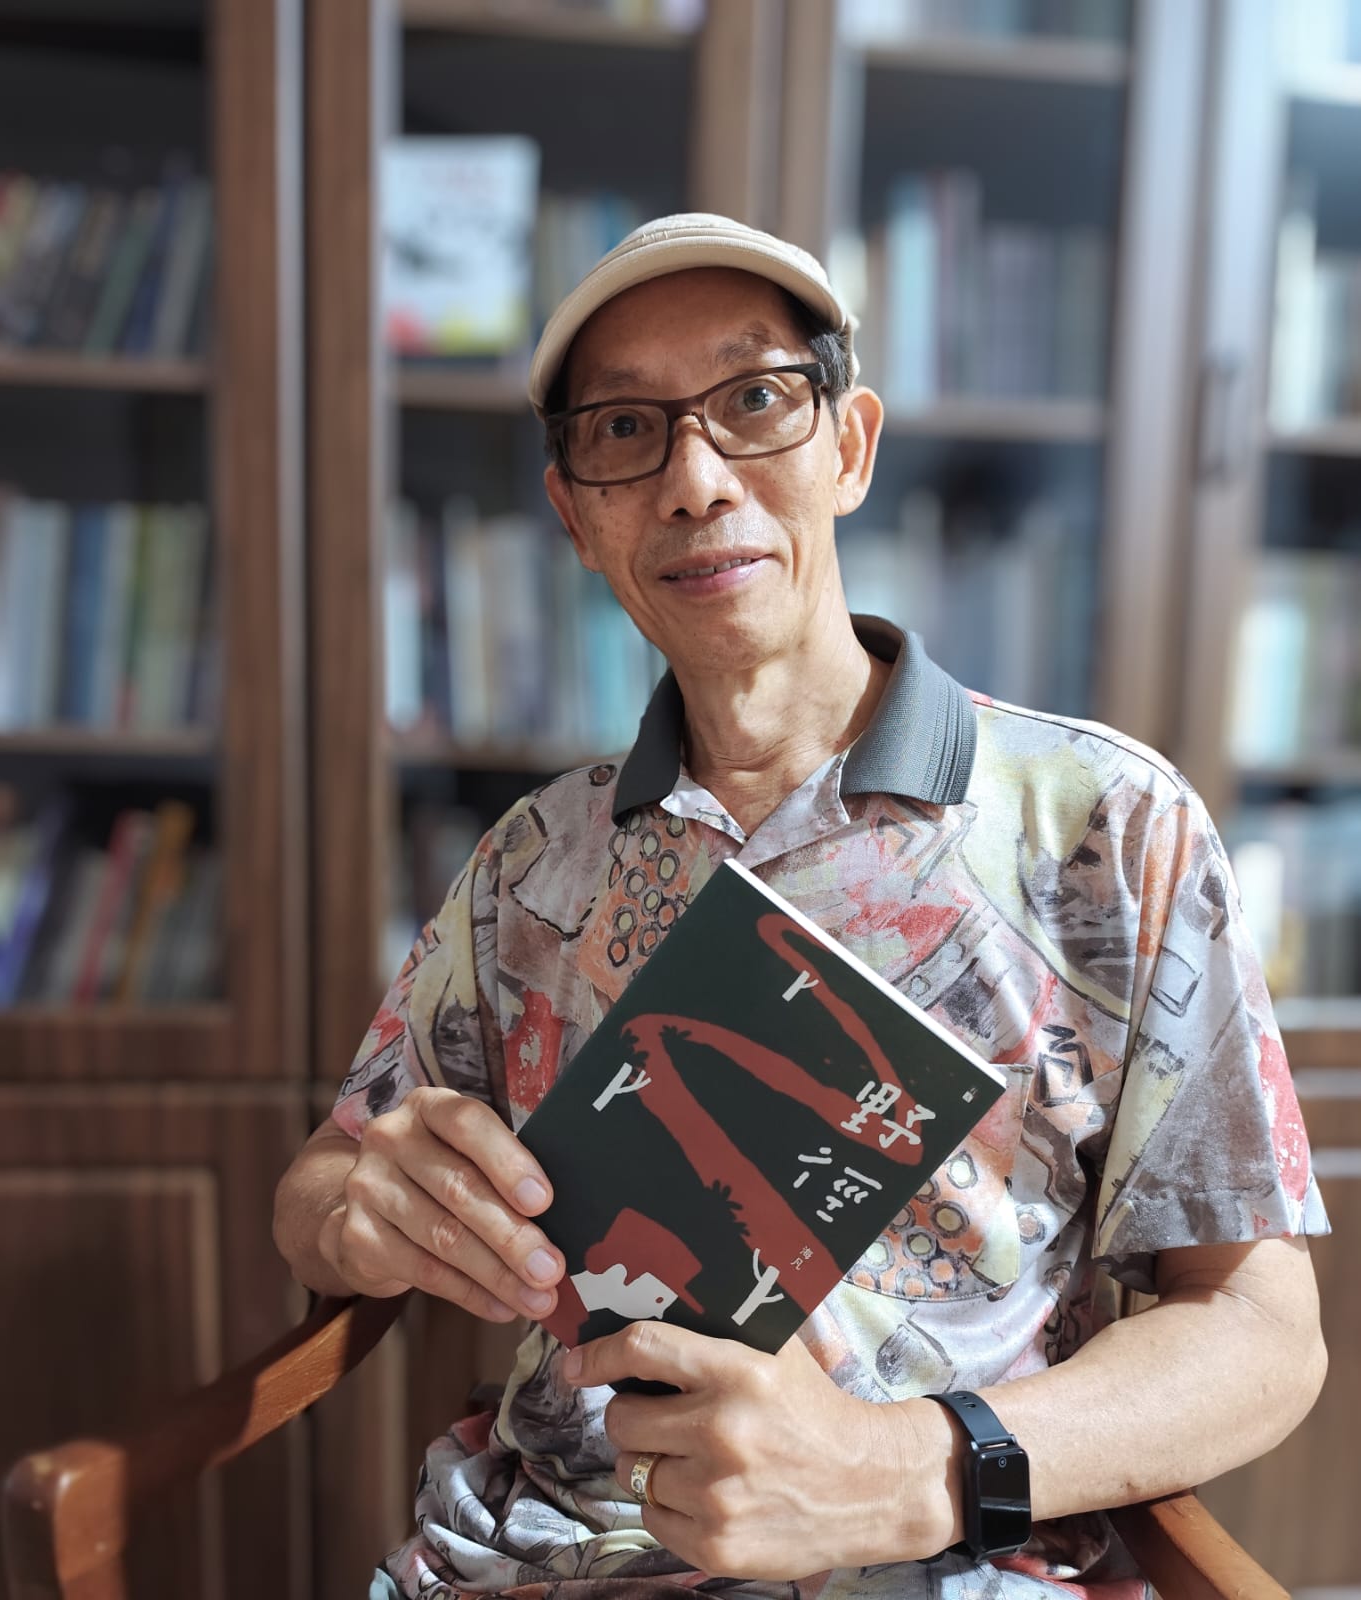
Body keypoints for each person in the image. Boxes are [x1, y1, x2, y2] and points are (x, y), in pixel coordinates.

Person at [273, 214, 1329, 1599]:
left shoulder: (1106, 825)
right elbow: (326, 1177)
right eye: (626, 431)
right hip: (546, 1556)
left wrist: (910, 1467)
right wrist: (357, 1209)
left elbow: (1260, 1325)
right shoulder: (534, 858)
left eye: (757, 399)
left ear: (851, 446)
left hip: (939, 1558)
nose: (695, 479)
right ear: (575, 515)